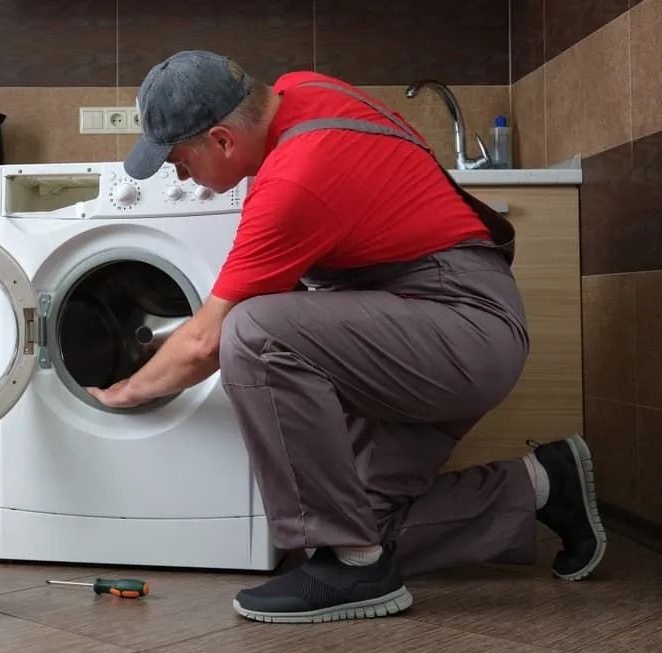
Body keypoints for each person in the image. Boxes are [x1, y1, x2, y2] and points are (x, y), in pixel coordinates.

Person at [85, 50, 606, 623]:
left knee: (254, 333)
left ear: (223, 141)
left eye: (180, 162)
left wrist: (124, 392)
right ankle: (544, 484)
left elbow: (210, 341)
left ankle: (353, 567)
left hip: (462, 327)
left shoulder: (294, 178)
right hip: (419, 324)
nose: (182, 178)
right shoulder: (301, 90)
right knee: (365, 521)